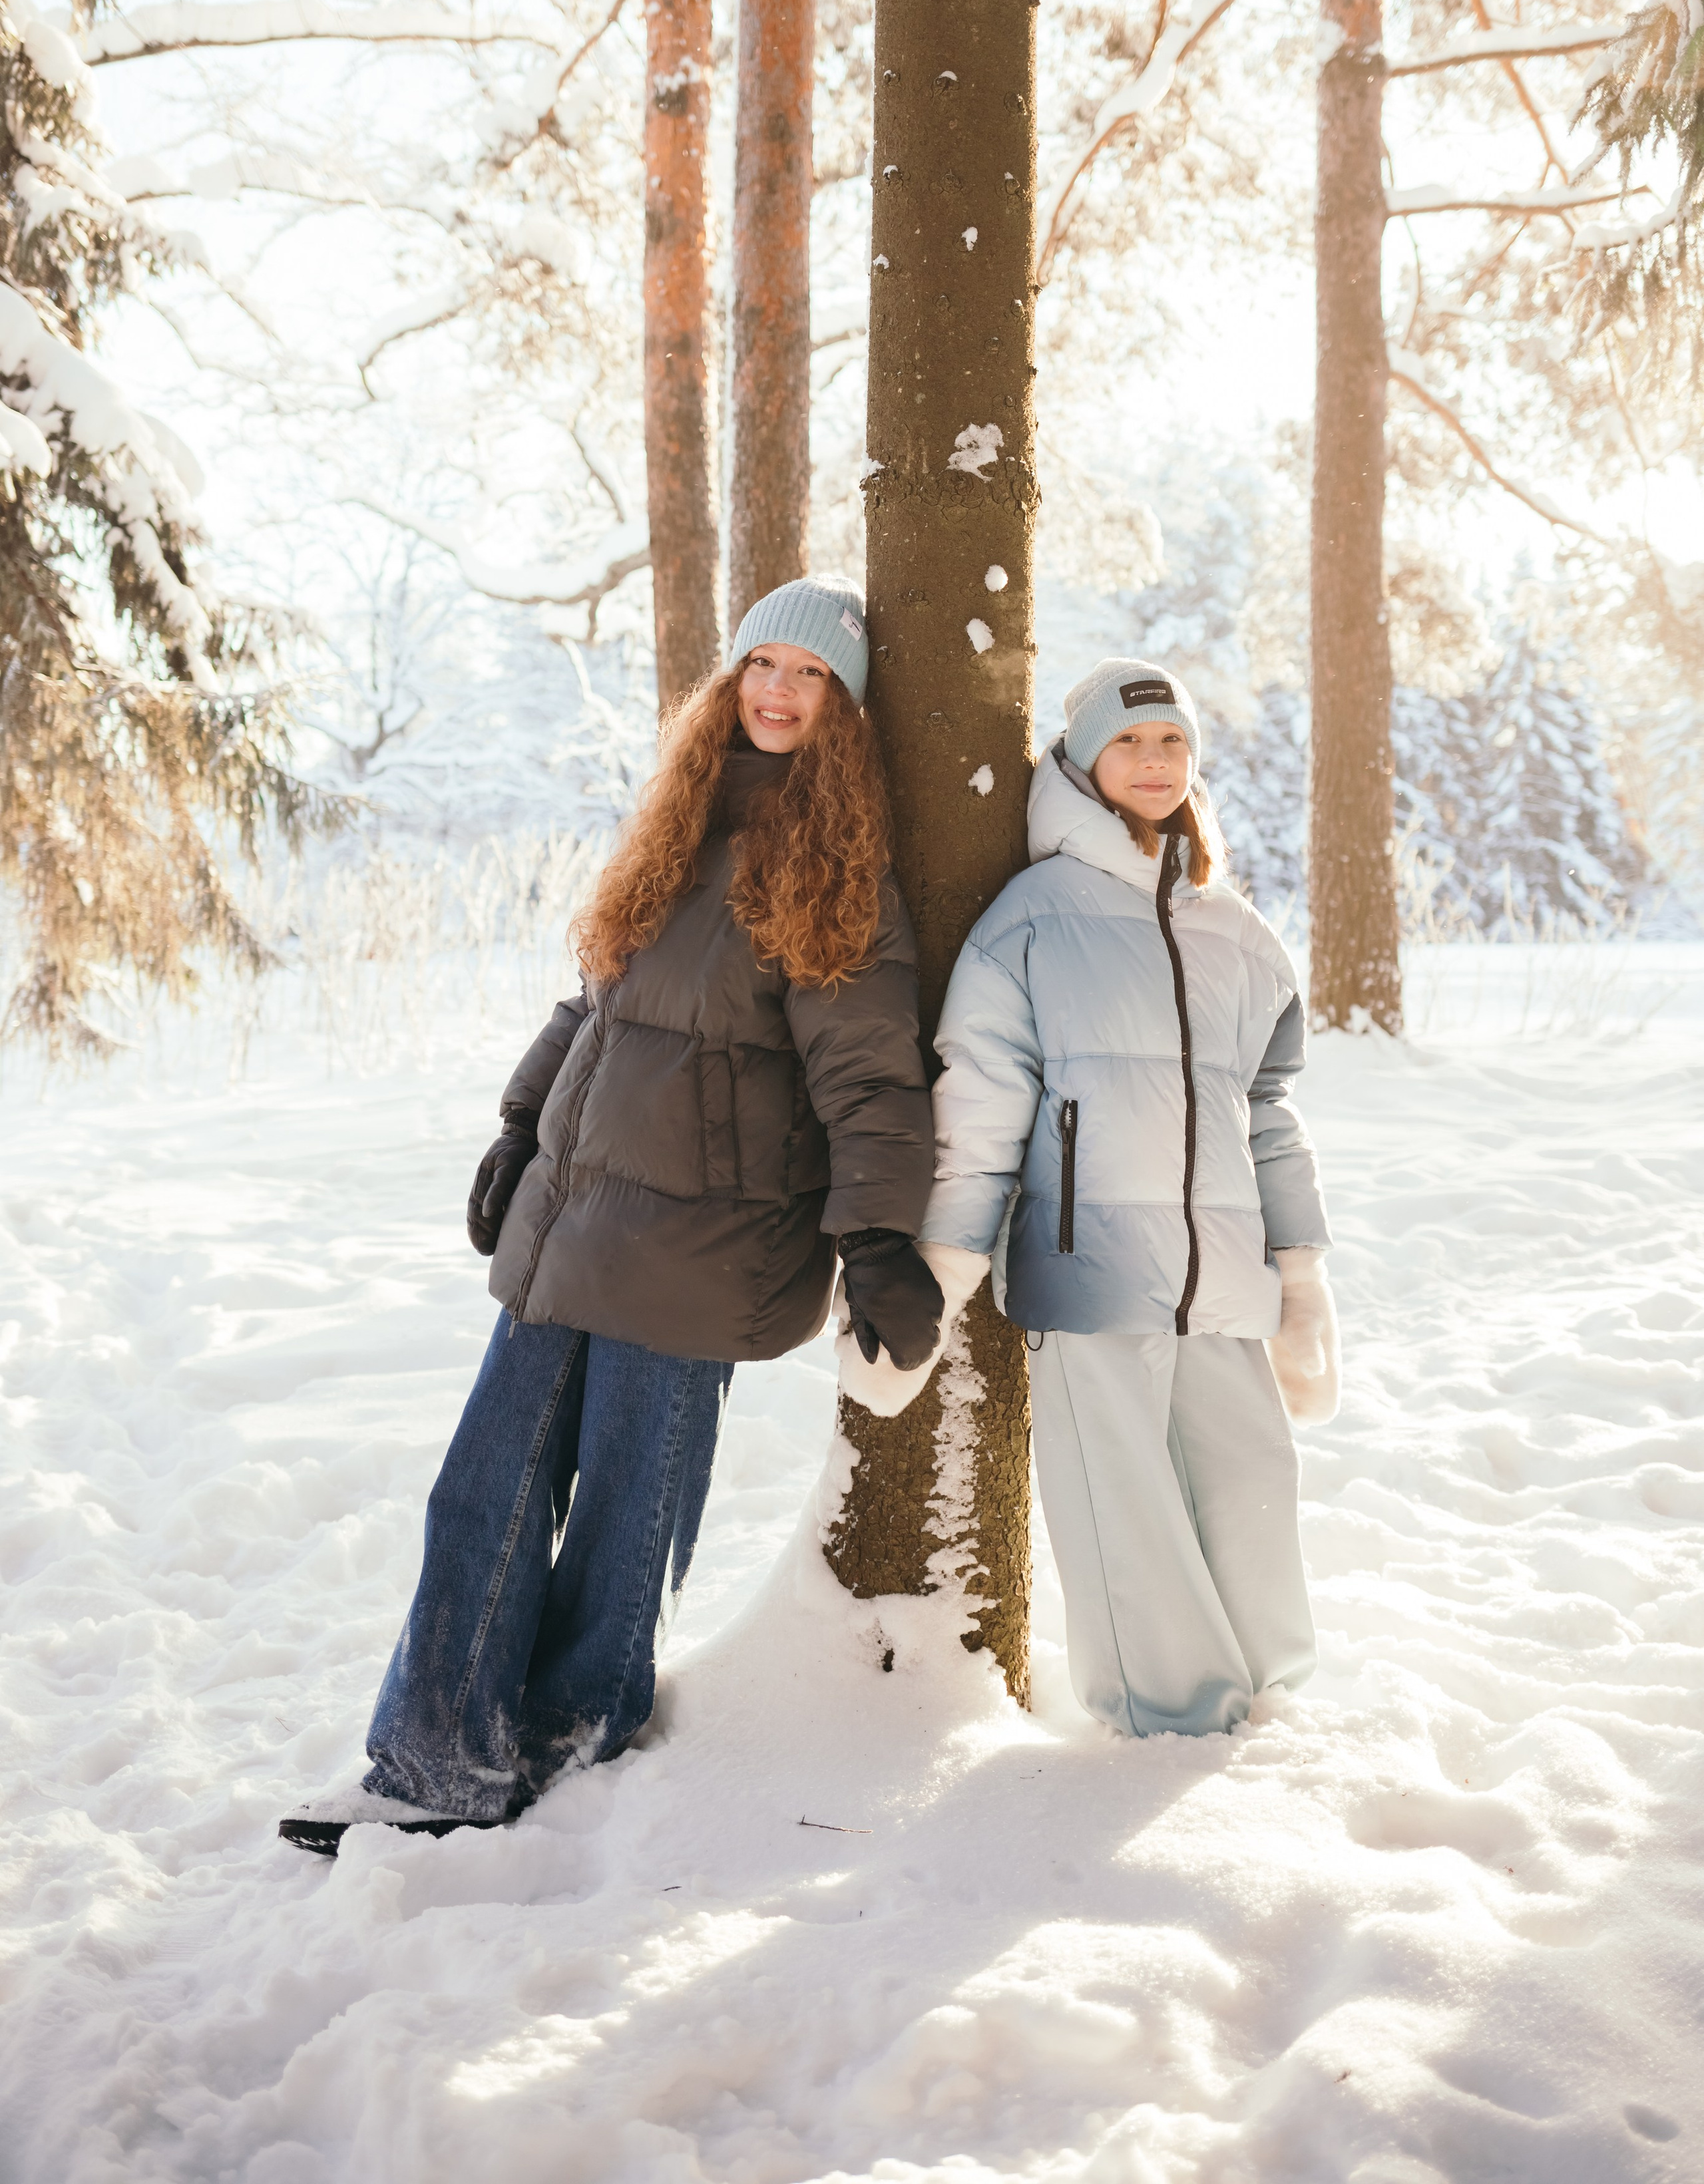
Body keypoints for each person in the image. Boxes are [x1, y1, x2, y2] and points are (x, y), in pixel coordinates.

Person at [280, 578, 945, 1854]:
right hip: (577, 1217)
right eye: (762, 666)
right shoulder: (677, 828)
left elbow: (868, 1077)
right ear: (727, 684)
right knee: (485, 1489)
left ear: (844, 713)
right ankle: (437, 1759)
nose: (777, 692)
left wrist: (875, 1237)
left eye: (811, 678)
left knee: (631, 1509)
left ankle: (575, 1735)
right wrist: (521, 1126)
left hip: (707, 1242)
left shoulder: (839, 879)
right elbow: (591, 1007)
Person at [919, 657, 1341, 1739]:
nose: (1154, 763)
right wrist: (951, 1256)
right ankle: (1169, 1719)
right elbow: (982, 1100)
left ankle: (1271, 1700)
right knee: (1126, 1510)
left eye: (1173, 745)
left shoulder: (1236, 933)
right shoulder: (1029, 918)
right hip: (1092, 1269)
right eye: (1130, 742)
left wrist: (1302, 1275)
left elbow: (1270, 1113)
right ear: (1082, 759)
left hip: (1222, 1274)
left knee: (1252, 1482)